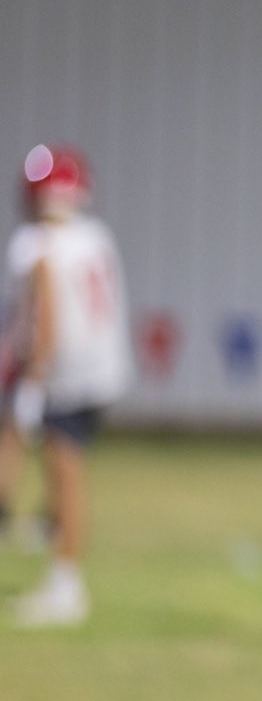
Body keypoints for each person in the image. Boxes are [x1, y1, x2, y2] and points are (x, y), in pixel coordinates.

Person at [0, 144, 134, 627]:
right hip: (101, 373)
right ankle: (58, 570)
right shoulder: (95, 236)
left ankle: (65, 585)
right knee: (65, 478)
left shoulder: (37, 246)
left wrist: (32, 381)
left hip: (66, 375)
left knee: (65, 478)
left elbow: (46, 317)